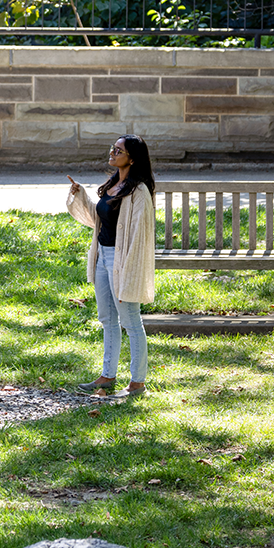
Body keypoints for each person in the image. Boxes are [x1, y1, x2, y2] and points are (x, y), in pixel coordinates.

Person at [65, 134, 156, 397]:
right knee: (108, 320)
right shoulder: (114, 184)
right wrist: (81, 195)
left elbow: (139, 234)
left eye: (119, 150)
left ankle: (137, 382)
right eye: (113, 149)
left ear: (133, 158)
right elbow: (99, 218)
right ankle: (107, 376)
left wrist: (127, 267)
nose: (112, 153)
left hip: (122, 259)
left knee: (130, 321)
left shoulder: (138, 191)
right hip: (102, 257)